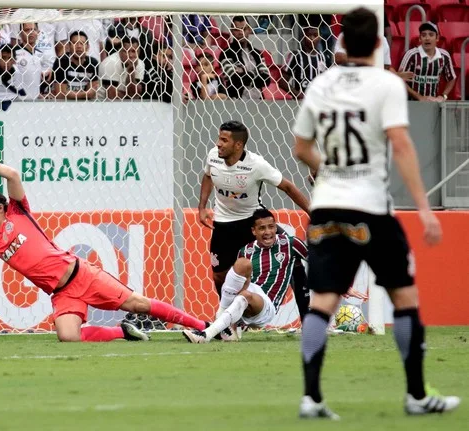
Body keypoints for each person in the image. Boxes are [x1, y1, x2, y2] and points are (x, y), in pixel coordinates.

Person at [292, 7, 460, 419]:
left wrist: (330, 170)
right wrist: (424, 209)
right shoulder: (385, 84)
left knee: (322, 302)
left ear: (342, 41)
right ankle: (417, 395)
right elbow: (400, 145)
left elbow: (300, 149)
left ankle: (311, 397)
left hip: (327, 205)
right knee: (404, 297)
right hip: (370, 207)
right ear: (379, 43)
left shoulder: (321, 84)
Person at [0, 141, 210, 343]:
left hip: (81, 274)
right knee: (68, 337)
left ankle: (203, 325)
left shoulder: (19, 211)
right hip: (61, 294)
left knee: (138, 303)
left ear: (2, 208)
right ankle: (124, 332)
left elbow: (12, 174)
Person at [198, 121, 311, 329]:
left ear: (238, 145)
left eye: (224, 140)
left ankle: (309, 320)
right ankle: (231, 322)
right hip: (223, 223)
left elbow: (287, 186)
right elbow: (207, 176)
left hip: (252, 222)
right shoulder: (213, 156)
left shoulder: (256, 165)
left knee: (291, 257)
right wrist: (202, 206)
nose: (218, 144)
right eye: (219, 138)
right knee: (220, 275)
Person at [183, 209, 307, 343]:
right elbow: (241, 283)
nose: (267, 232)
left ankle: (206, 334)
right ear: (254, 231)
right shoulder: (247, 250)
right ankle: (228, 325)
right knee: (242, 264)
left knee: (245, 295)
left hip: (267, 306)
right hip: (248, 296)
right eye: (262, 228)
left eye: (271, 227)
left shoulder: (291, 243)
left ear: (276, 227)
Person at [399, 22, 455, 102]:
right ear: (420, 38)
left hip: (433, 104)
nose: (427, 38)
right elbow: (399, 79)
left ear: (437, 38)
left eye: (431, 35)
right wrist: (419, 97)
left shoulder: (444, 56)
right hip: (411, 104)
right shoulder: (411, 55)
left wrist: (443, 96)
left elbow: (451, 78)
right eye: (424, 35)